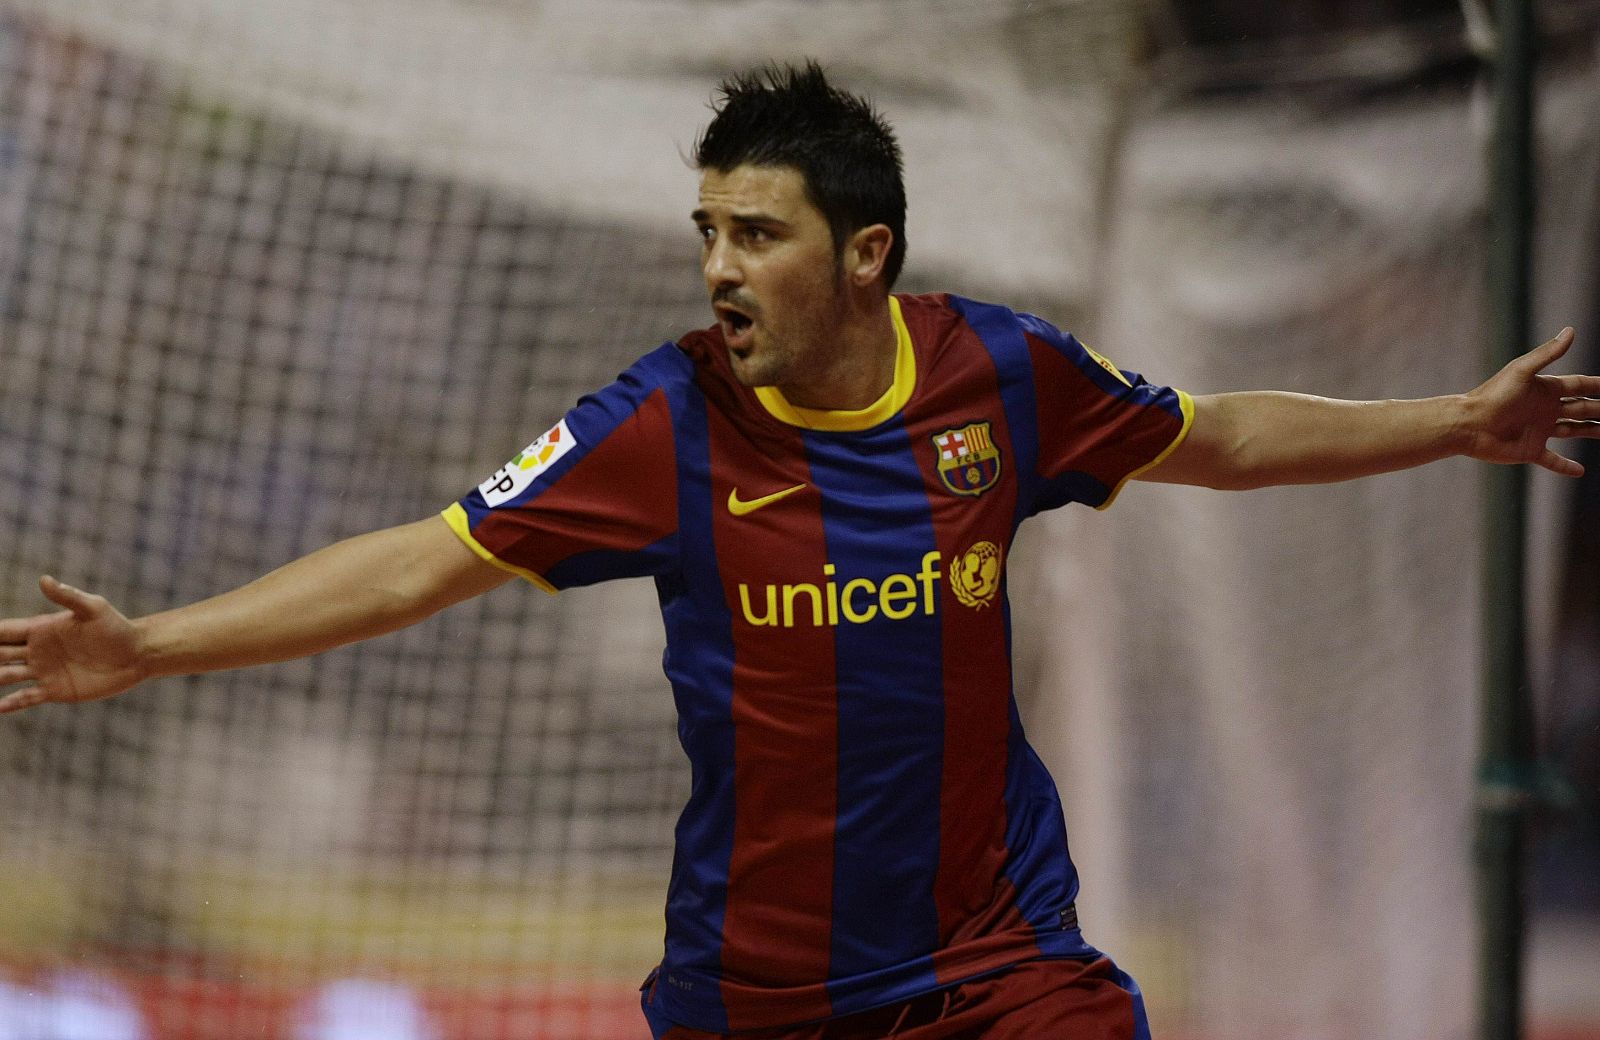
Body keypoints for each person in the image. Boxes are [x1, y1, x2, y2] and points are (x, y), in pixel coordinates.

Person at [1, 62, 1596, 1040]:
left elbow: (1219, 435)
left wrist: (1456, 421)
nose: (719, 269)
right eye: (707, 233)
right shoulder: (660, 425)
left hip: (995, 969)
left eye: (754, 234)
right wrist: (150, 647)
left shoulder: (1003, 379)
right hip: (759, 994)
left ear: (867, 253)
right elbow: (423, 561)